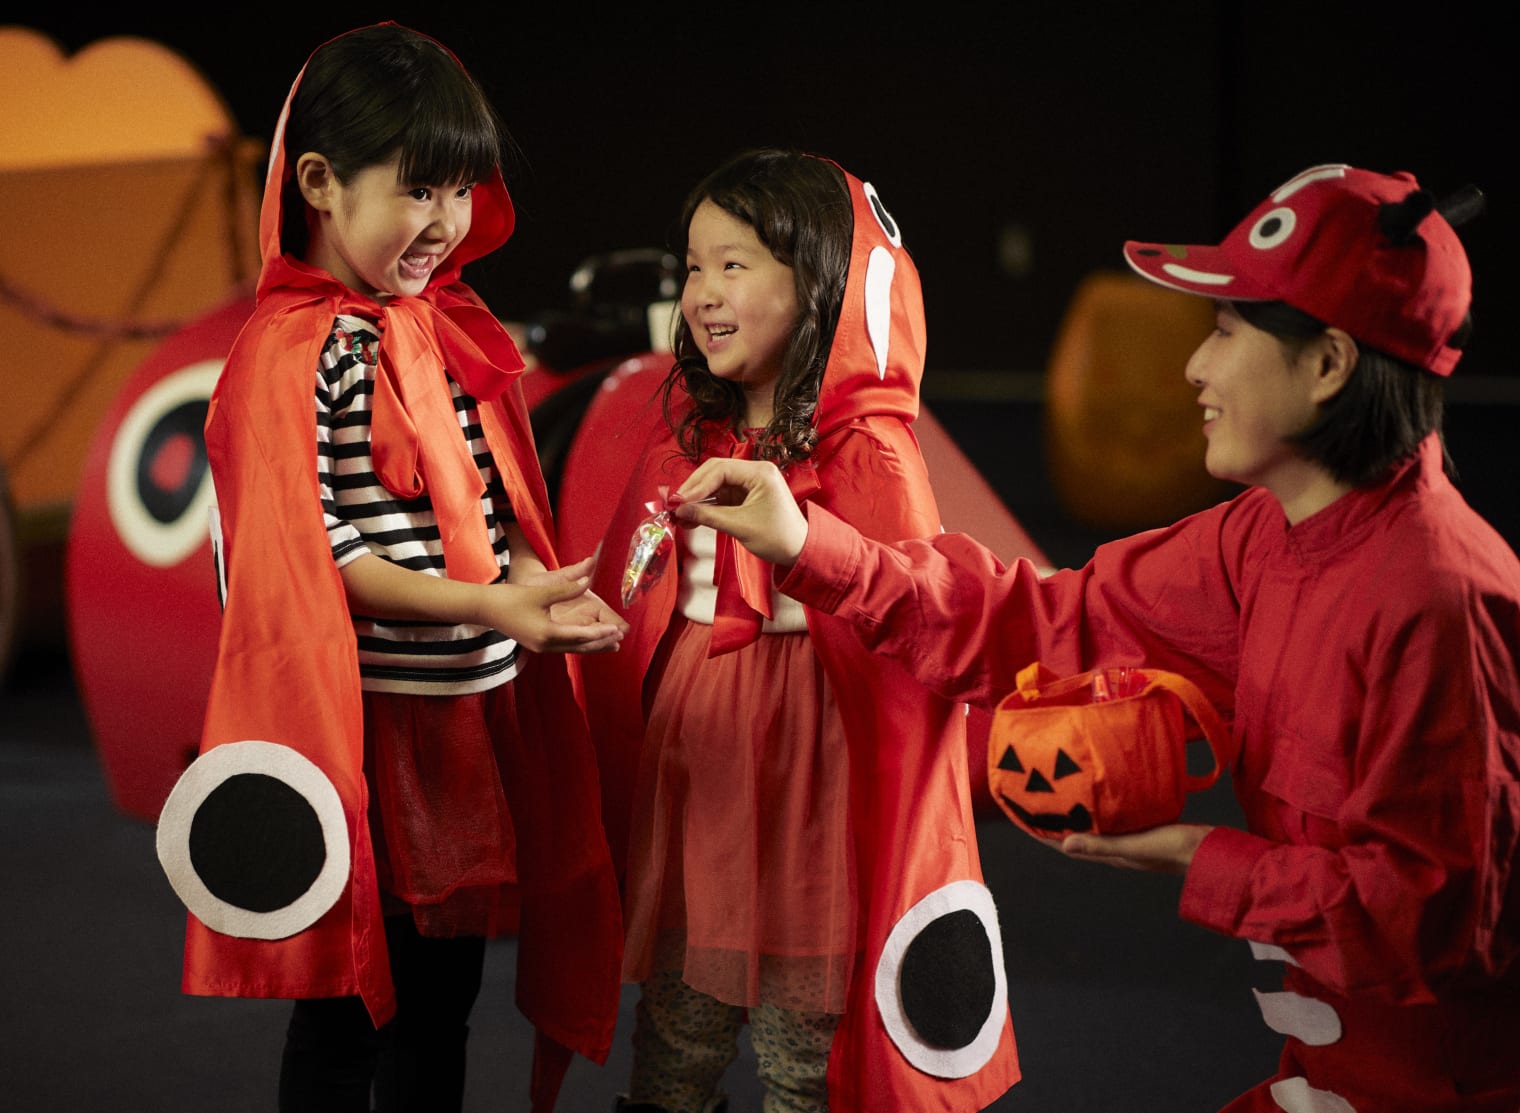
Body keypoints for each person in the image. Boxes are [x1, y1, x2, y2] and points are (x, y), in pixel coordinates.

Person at [672, 163, 1520, 1112]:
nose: (1195, 367)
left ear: (1328, 364)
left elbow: (1438, 923)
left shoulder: (1438, 596)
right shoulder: (1261, 537)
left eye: (1228, 332)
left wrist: (1198, 855)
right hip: (1325, 1074)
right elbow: (1045, 623)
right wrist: (814, 546)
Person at [153, 23, 626, 1113]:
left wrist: (529, 583)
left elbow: (497, 489)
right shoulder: (292, 353)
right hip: (363, 730)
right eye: (420, 191)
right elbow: (317, 561)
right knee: (345, 1015)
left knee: (441, 1004)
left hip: (457, 722)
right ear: (318, 181)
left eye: (462, 191)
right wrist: (492, 602)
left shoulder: (438, 327)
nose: (446, 224)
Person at [581, 149, 1020, 1113]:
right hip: (702, 751)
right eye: (693, 267)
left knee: (804, 1045)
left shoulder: (870, 451)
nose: (703, 292)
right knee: (676, 1022)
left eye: (734, 264)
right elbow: (640, 571)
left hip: (818, 756)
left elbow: (912, 617)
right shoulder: (688, 430)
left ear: (818, 281)